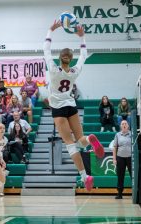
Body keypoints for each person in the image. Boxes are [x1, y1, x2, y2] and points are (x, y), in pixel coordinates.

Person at [43, 20, 104, 191]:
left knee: (70, 145)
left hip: (58, 109)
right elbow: (84, 55)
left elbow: (46, 49)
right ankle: (90, 139)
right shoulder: (75, 72)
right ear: (70, 59)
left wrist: (50, 29)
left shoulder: (54, 70)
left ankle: (85, 177)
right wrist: (82, 36)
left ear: (60, 57)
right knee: (81, 141)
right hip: (71, 105)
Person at [112, 120, 132, 199]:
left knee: (133, 176)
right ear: (120, 126)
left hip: (130, 158)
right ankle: (119, 193)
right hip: (120, 158)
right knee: (120, 176)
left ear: (128, 125)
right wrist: (114, 159)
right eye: (122, 124)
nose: (124, 125)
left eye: (125, 124)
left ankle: (136, 192)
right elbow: (115, 147)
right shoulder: (117, 135)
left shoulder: (132, 134)